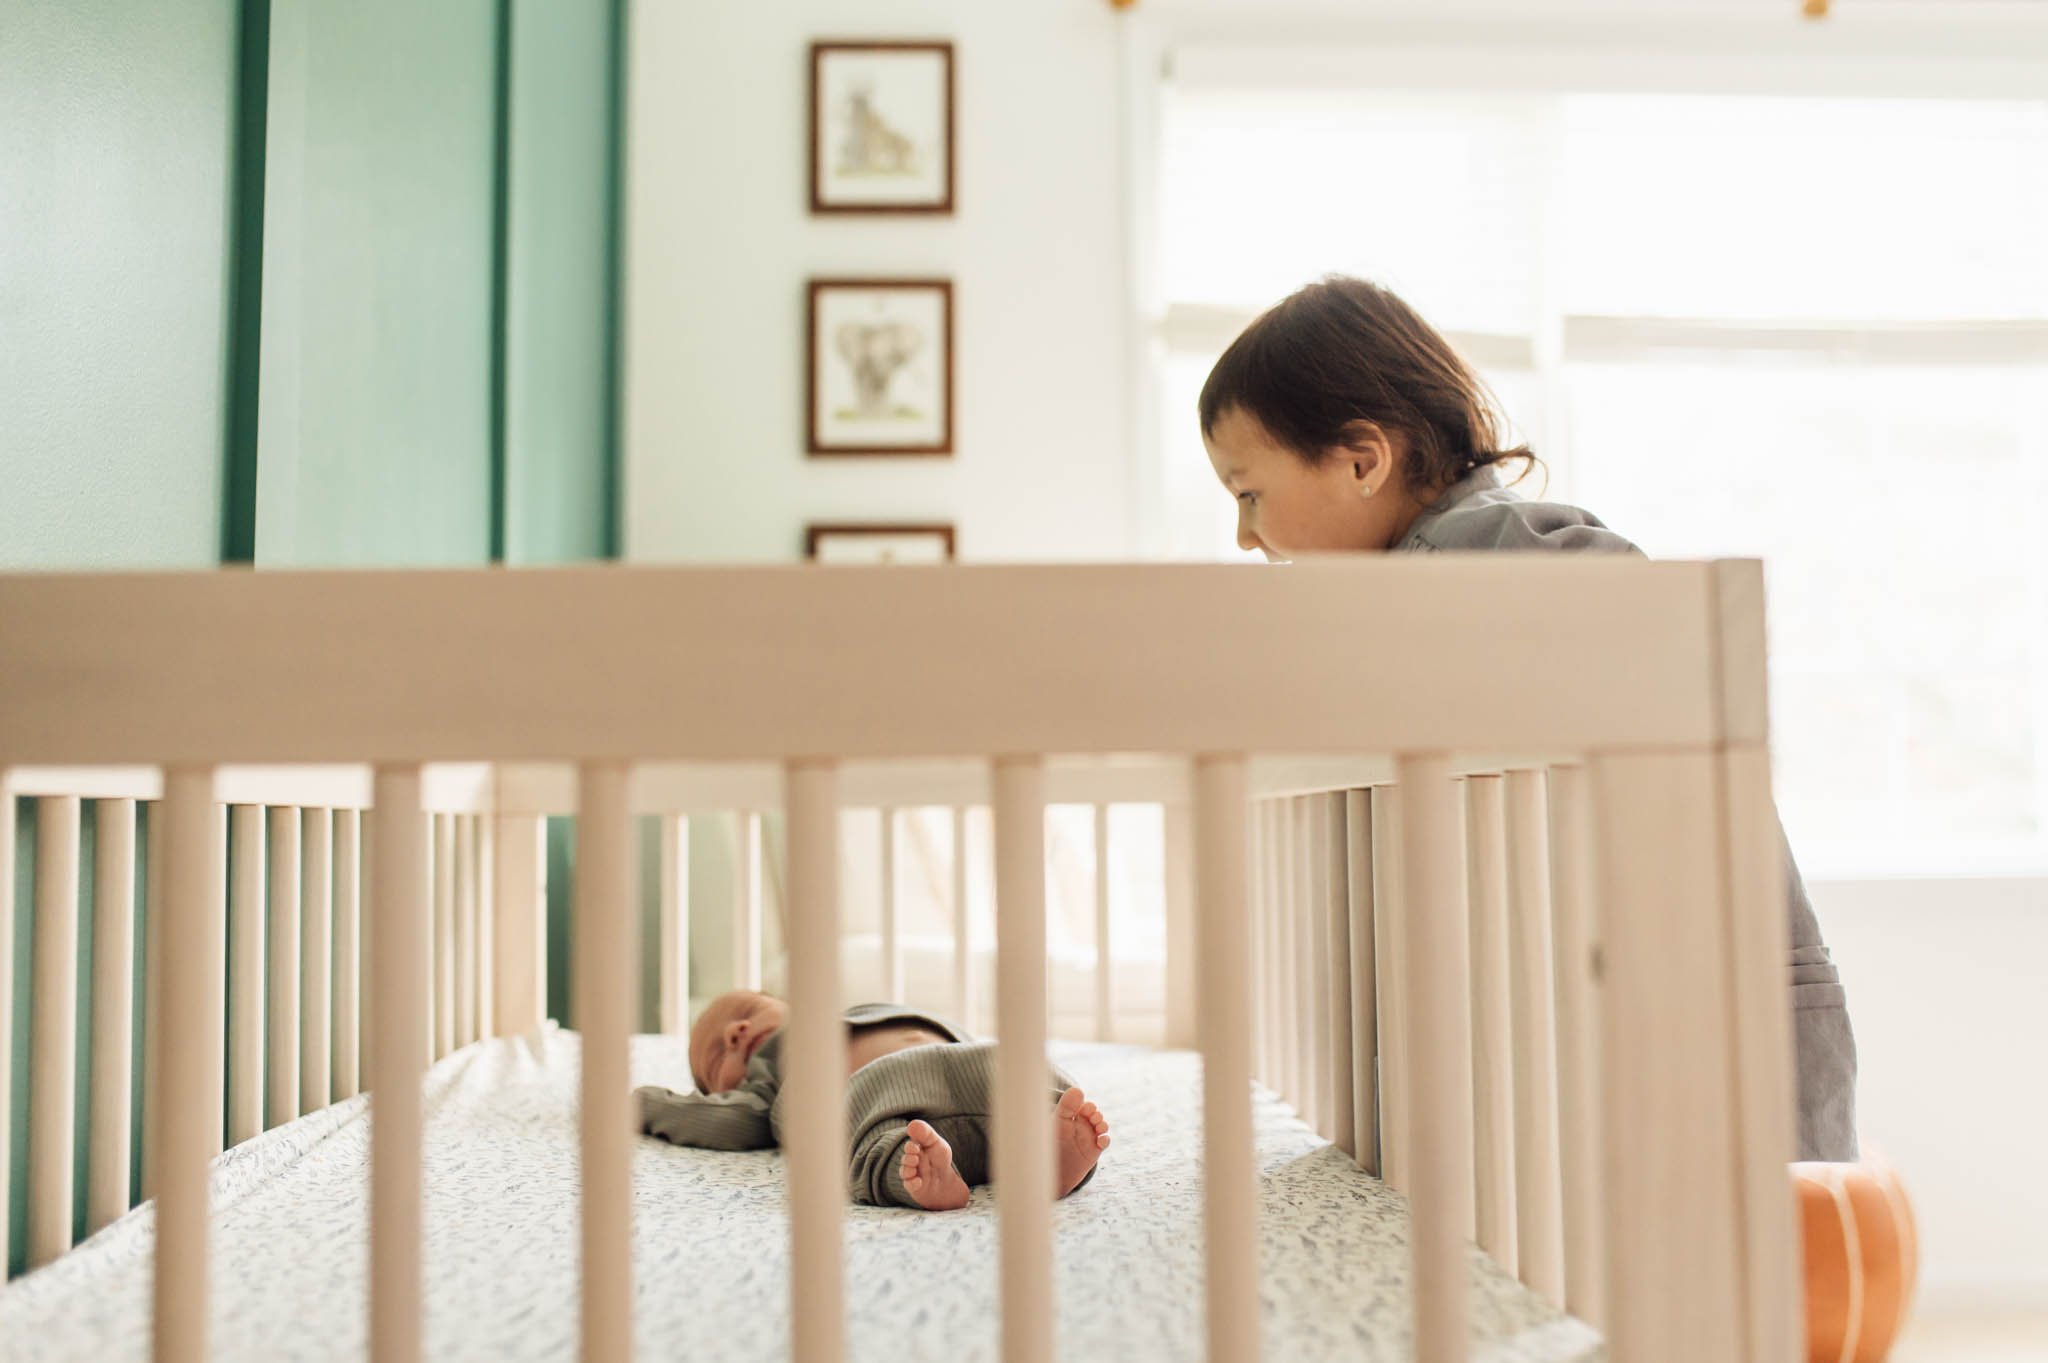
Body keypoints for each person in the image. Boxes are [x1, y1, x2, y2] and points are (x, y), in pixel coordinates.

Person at [1198, 274, 1857, 1162]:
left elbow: (1644, 610)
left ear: (1362, 460)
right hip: (1627, 991)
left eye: (1249, 494)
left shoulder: (1490, 547)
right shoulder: (1412, 588)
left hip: (1692, 984)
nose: (1245, 537)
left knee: (1739, 1251)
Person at [634, 990, 1111, 1209]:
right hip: (876, 1100)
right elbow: (728, 1123)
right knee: (877, 1150)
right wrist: (640, 1103)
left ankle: (1048, 1152)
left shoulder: (840, 1013)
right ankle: (927, 1180)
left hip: (964, 1062)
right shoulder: (771, 1077)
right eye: (719, 1055)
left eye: (747, 1012)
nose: (734, 1032)